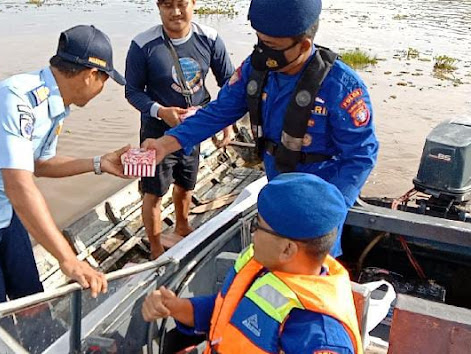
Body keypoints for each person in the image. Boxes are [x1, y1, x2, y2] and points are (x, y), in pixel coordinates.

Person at [141, 0, 379, 257]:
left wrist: (331, 208)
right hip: (276, 189)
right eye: (259, 41)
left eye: (272, 46)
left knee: (311, 277)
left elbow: (360, 156)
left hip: (319, 198)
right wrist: (166, 143)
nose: (263, 52)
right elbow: (219, 111)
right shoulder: (256, 71)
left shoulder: (340, 87)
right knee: (268, 266)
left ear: (304, 45)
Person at [0, 25, 129, 307]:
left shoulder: (56, 104)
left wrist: (99, 163)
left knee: (31, 299)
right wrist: (68, 259)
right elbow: (19, 185)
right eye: (105, 80)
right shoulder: (17, 100)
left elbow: (39, 163)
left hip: (2, 209)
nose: (102, 88)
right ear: (90, 76)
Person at [142, 173, 364, 354]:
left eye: (258, 227)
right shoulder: (262, 264)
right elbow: (231, 308)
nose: (253, 234)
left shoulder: (320, 337)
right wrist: (177, 308)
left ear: (287, 249)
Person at [125, 0, 235, 259]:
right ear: (158, 7)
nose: (175, 12)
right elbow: (132, 92)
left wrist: (226, 122)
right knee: (153, 192)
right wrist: (161, 111)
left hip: (194, 128)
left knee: (187, 184)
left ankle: (183, 227)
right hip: (156, 132)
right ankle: (154, 248)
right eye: (167, 5)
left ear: (193, 3)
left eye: (181, 4)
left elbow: (230, 84)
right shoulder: (142, 45)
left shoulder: (210, 38)